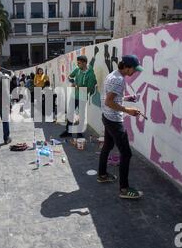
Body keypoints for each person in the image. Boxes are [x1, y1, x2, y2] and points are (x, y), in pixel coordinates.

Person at [98, 55, 144, 200]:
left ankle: (102, 175)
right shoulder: (118, 80)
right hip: (114, 120)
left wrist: (126, 98)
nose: (134, 72)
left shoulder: (113, 75)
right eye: (133, 70)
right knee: (126, 154)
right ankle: (124, 189)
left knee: (107, 146)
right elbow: (109, 101)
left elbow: (111, 97)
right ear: (126, 67)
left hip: (107, 117)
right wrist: (128, 110)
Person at [60, 48, 98, 138]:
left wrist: (77, 86)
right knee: (70, 113)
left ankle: (79, 133)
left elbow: (89, 88)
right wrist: (72, 81)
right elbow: (70, 76)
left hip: (82, 95)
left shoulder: (90, 74)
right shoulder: (77, 70)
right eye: (77, 63)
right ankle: (68, 131)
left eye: (79, 63)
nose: (78, 65)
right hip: (74, 95)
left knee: (81, 115)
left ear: (85, 63)